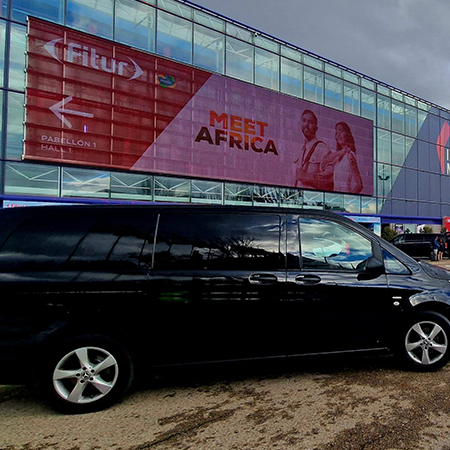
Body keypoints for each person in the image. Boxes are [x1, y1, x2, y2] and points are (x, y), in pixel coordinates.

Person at [295, 110, 334, 191]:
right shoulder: (300, 150)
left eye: (310, 122)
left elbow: (331, 177)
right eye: (304, 121)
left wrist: (306, 177)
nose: (306, 124)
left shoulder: (322, 148)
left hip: (313, 198)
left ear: (316, 128)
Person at [322, 121, 363, 194]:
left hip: (344, 196)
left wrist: (350, 198)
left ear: (347, 134)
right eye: (336, 133)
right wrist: (341, 152)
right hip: (335, 196)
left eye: (341, 131)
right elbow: (324, 160)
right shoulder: (338, 157)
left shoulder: (350, 155)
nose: (338, 135)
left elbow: (359, 185)